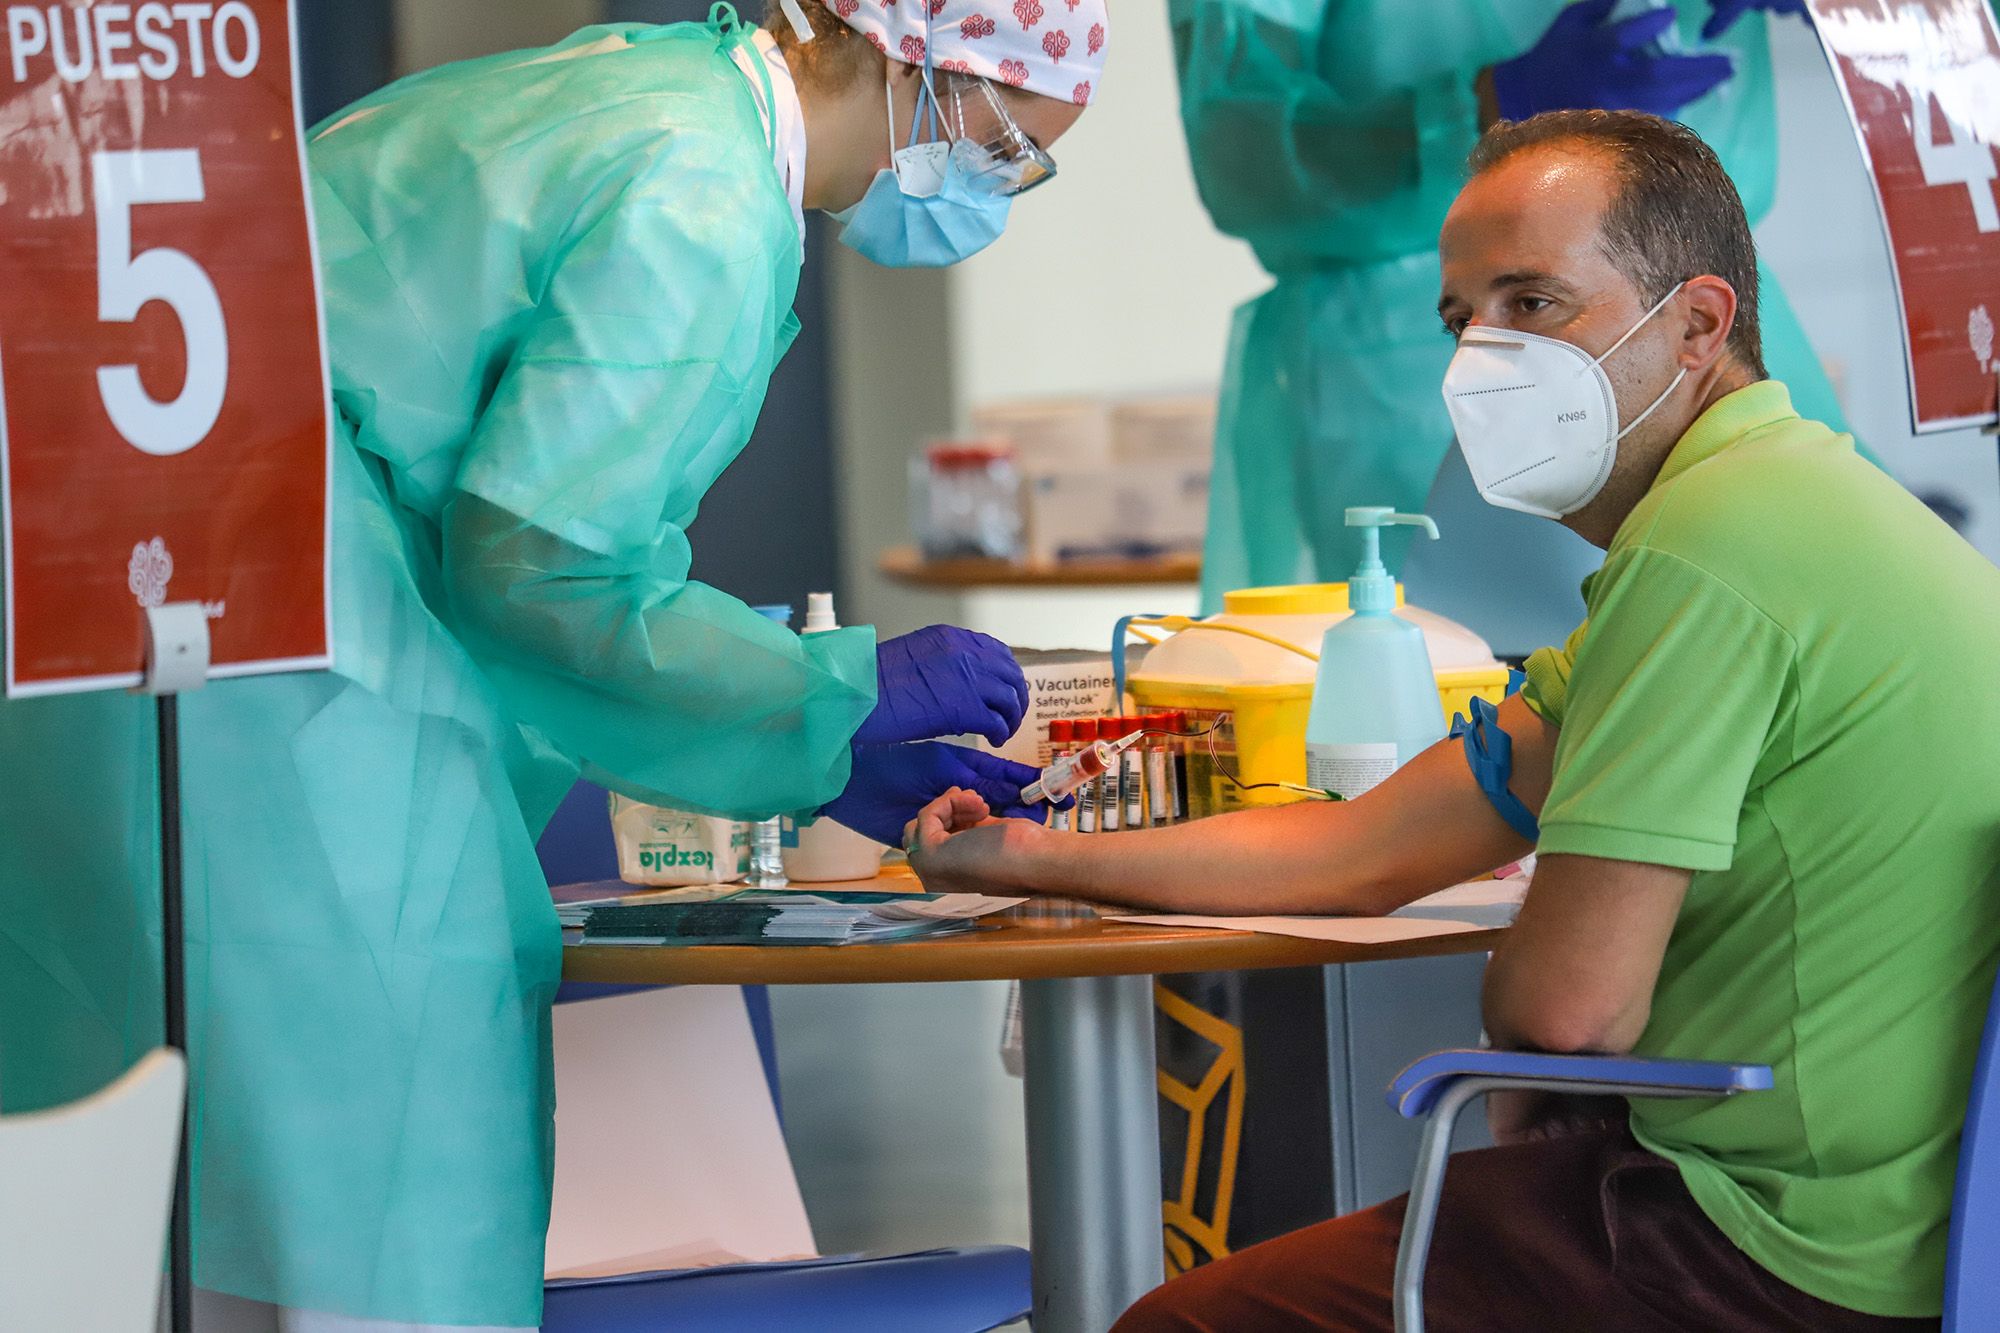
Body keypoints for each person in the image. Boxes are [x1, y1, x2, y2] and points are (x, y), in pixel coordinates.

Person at [0, 1, 1107, 1328]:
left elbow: (509, 533)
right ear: (914, 62)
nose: (996, 193)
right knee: (385, 1145)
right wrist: (835, 693)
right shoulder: (702, 196)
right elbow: (545, 570)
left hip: (130, 602)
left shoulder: (643, 90)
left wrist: (809, 750)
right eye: (1003, 149)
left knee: (147, 1174)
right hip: (276, 646)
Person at [911, 110, 2000, 1327]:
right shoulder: (1790, 505)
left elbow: (1567, 1011)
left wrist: (1535, 1027)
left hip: (1763, 1241)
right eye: (1460, 317)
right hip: (1923, 1235)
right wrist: (1040, 855)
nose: (1482, 354)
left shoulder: (1706, 554)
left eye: (1533, 303)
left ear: (1696, 324)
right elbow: (1364, 846)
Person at [1175, 0, 1848, 619]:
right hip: (1398, 381)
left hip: (1709, 315)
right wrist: (1482, 104)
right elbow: (1242, 146)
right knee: (1478, 674)